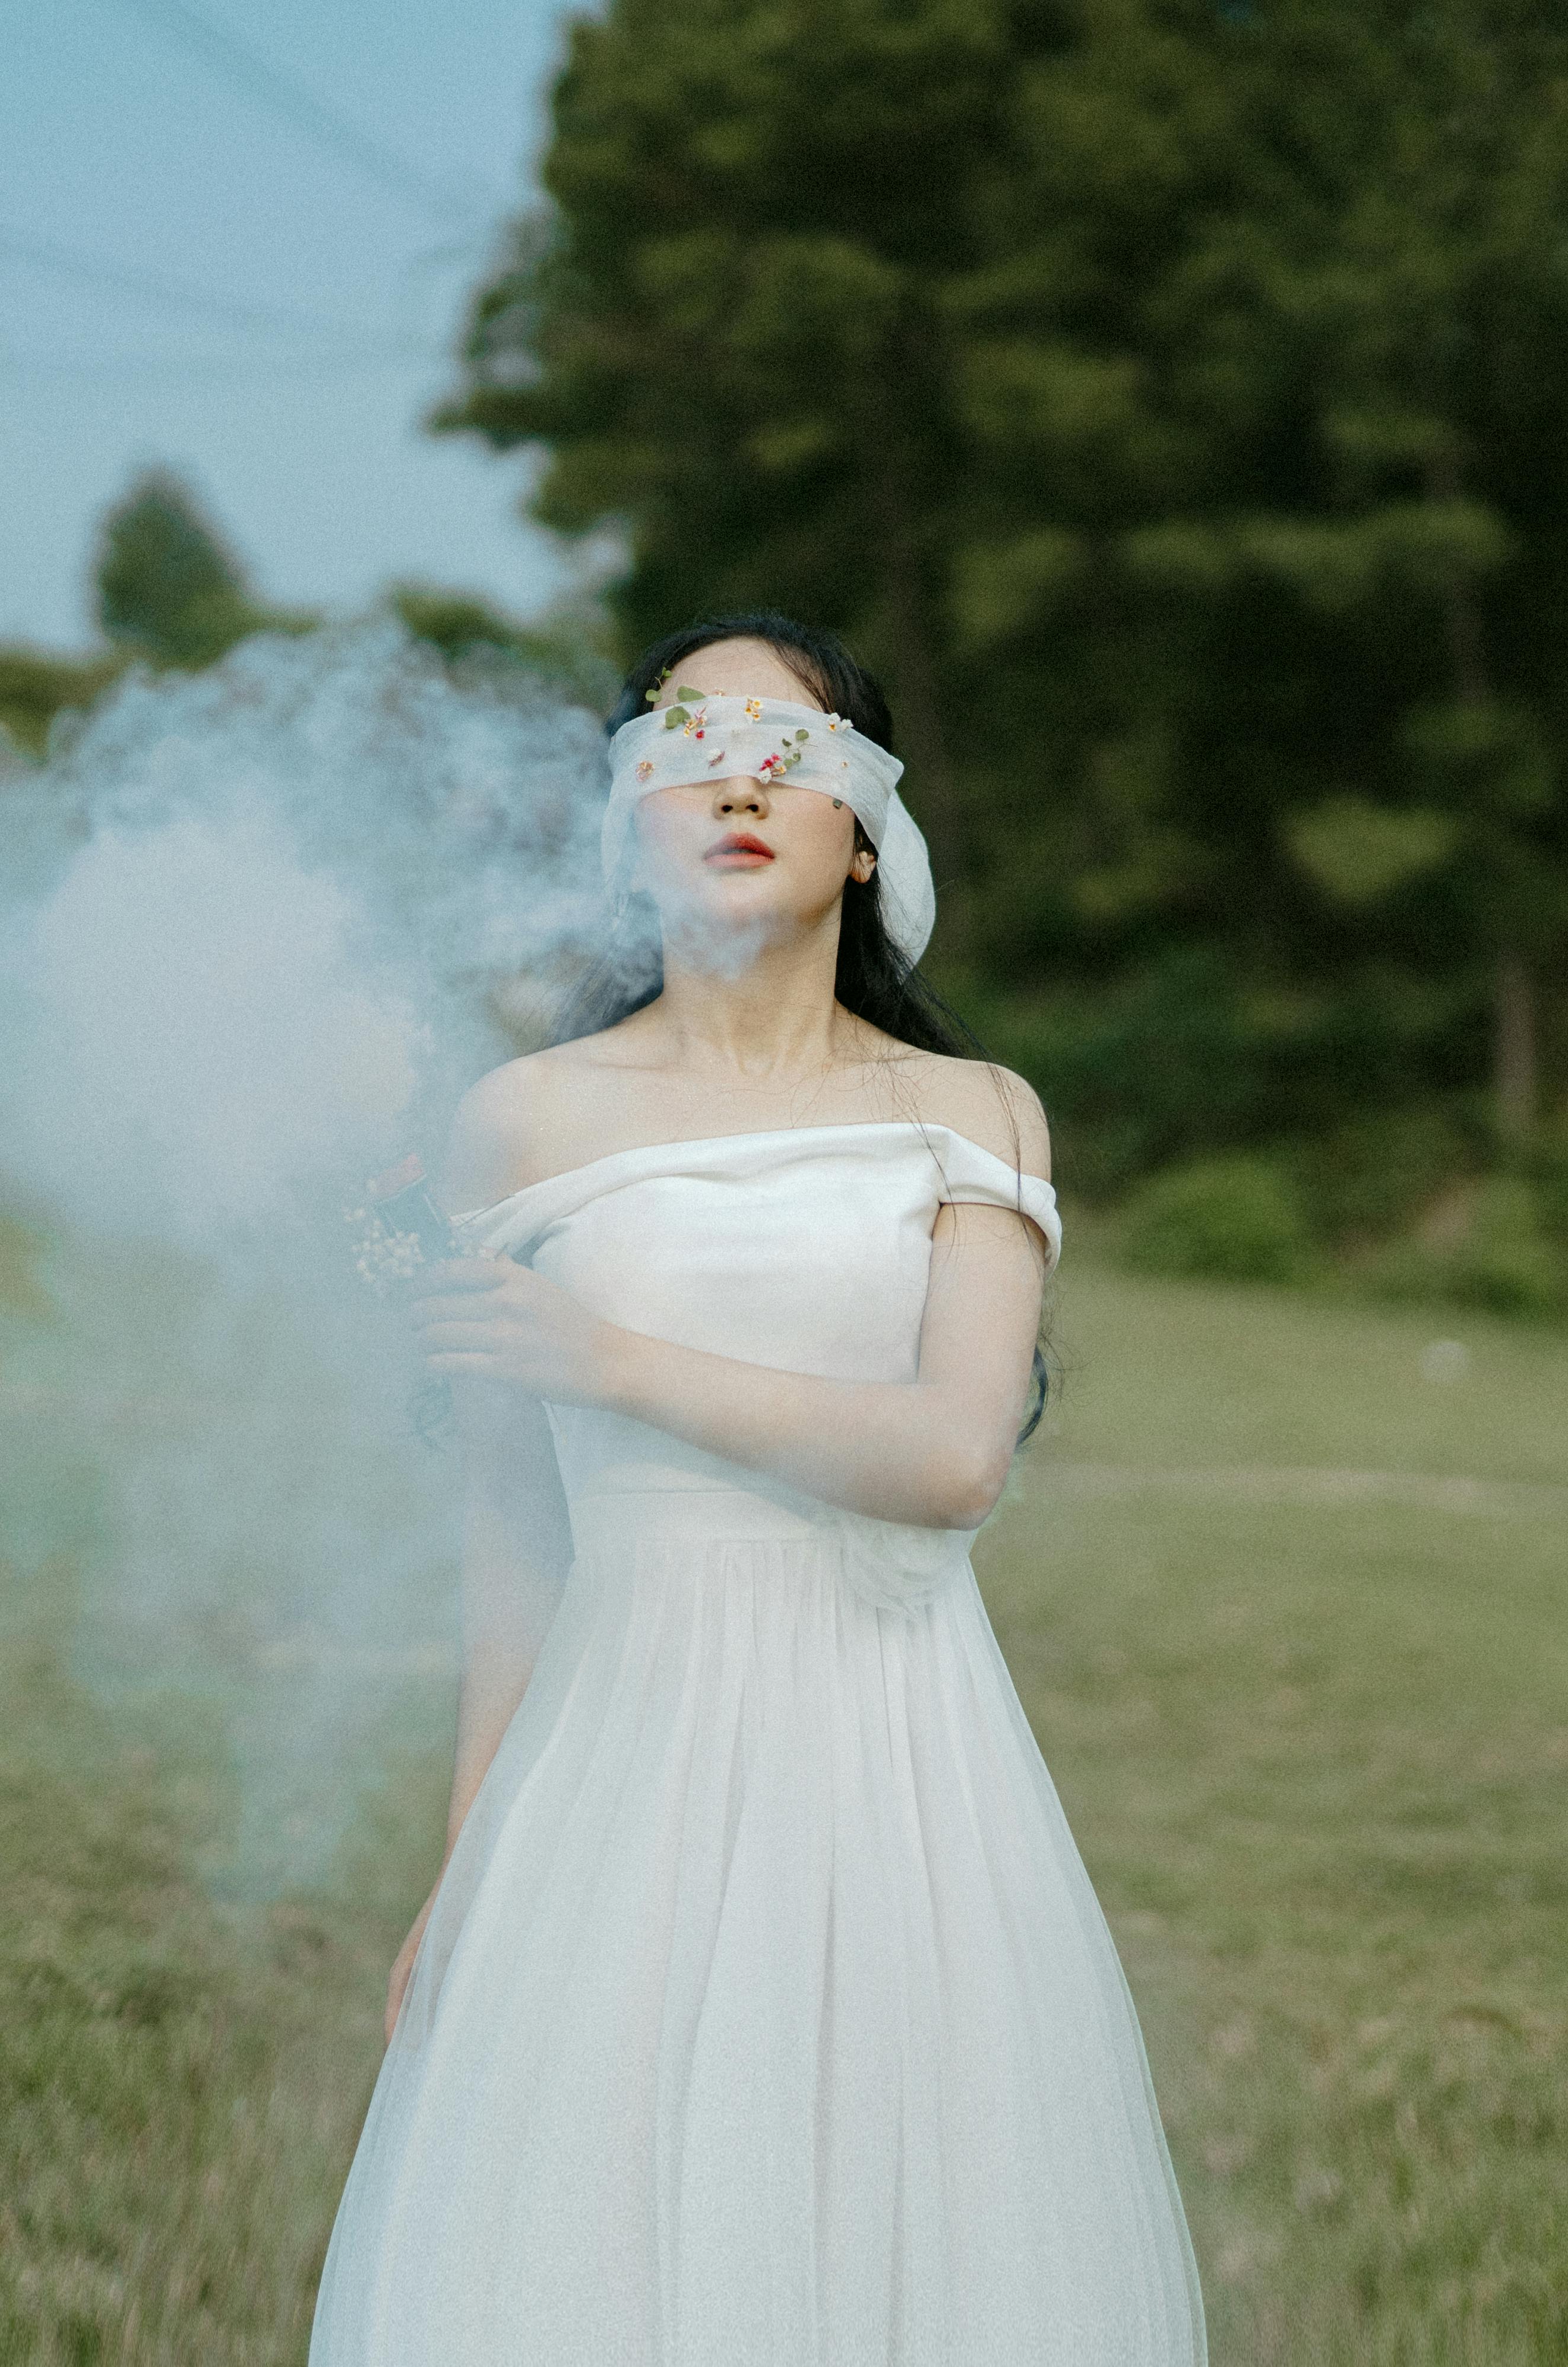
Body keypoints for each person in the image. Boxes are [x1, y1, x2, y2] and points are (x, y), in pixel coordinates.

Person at [307, 615, 1205, 2363]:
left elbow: (953, 1458)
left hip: (905, 1776)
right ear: (623, 817)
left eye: (786, 748)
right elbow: (515, 1533)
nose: (735, 775)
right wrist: (468, 1856)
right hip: (615, 1777)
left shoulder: (975, 1112)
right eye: (685, 742)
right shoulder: (523, 1125)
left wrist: (617, 1359)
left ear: (868, 828)